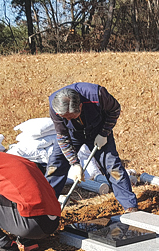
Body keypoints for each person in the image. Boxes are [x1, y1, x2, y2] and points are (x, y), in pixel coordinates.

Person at [46, 83, 138, 212]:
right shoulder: (55, 105)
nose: (68, 119)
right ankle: (45, 207)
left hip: (98, 130)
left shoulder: (98, 95)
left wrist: (103, 133)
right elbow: (62, 135)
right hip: (72, 134)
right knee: (55, 167)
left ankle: (129, 206)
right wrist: (75, 163)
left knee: (113, 167)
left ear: (80, 106)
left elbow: (114, 110)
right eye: (65, 117)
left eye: (71, 117)